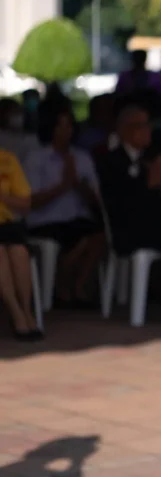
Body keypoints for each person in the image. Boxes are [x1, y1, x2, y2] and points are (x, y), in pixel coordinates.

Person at [98, 105, 161, 326]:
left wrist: (159, 185)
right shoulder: (111, 161)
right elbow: (120, 205)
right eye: (141, 126)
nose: (148, 131)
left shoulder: (155, 157)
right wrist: (150, 184)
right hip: (128, 230)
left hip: (157, 225)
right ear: (125, 130)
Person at [23, 106, 105, 307]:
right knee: (80, 239)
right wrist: (63, 186)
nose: (65, 131)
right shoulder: (35, 158)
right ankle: (61, 286)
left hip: (79, 219)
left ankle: (76, 287)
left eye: (69, 125)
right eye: (60, 126)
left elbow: (96, 202)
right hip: (45, 221)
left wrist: (78, 184)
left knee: (98, 236)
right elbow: (31, 201)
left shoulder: (82, 158)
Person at [0, 148, 39, 341]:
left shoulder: (7, 159)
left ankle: (26, 310)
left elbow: (25, 204)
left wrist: (3, 197)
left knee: (19, 251)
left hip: (6, 225)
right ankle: (15, 312)